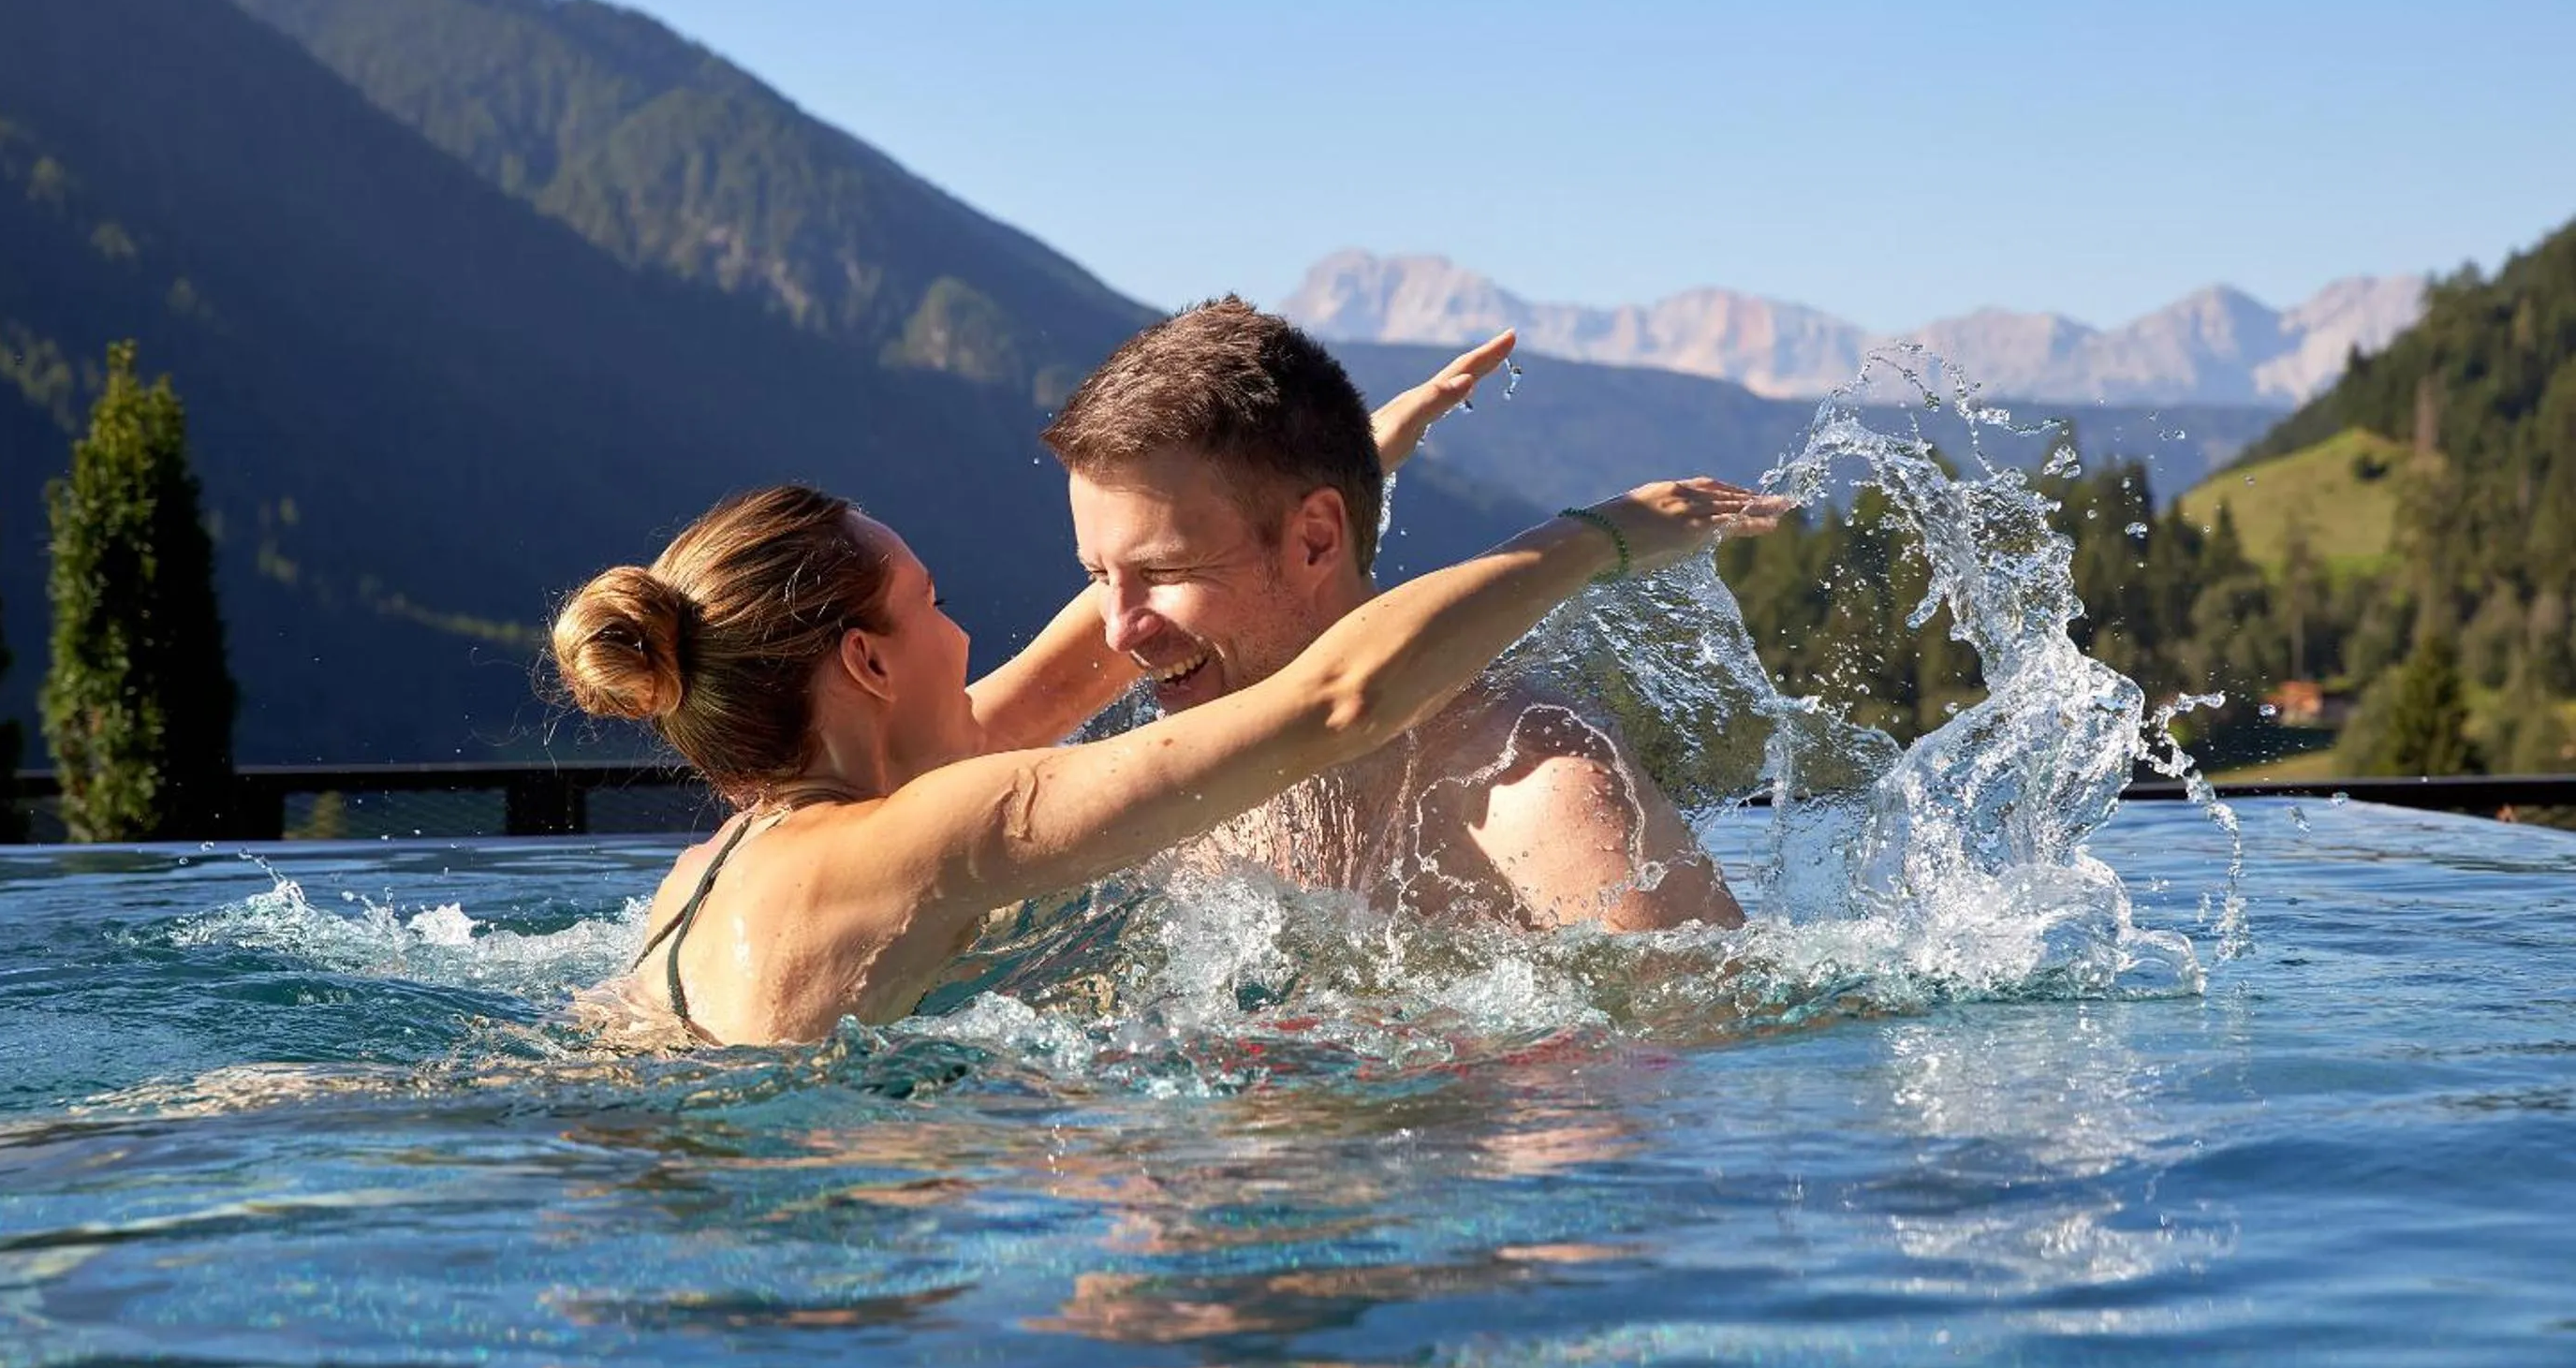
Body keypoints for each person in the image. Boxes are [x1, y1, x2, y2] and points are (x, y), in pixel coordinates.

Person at [550, 462, 1786, 1046]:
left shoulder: (721, 865)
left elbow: (1050, 685)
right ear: (867, 666)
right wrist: (1594, 538)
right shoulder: (928, 838)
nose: (963, 631)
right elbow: (1340, 700)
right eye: (928, 604)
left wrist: (1297, 509)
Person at [1045, 299, 1747, 932]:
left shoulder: (1532, 787)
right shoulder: (1154, 793)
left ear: (1316, 540)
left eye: (1163, 573)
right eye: (1096, 577)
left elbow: (1695, 1049)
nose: (1116, 629)